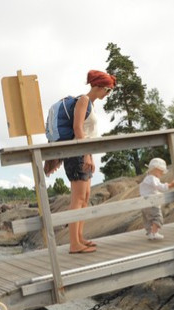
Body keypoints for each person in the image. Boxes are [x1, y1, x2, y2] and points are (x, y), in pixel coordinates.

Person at [63, 70, 117, 254]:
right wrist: (86, 154)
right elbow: (78, 129)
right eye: (108, 90)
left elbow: (87, 133)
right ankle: (74, 244)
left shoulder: (91, 105)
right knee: (77, 199)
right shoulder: (83, 100)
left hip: (84, 154)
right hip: (76, 154)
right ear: (99, 86)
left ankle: (79, 238)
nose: (108, 94)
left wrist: (90, 155)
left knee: (85, 198)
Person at [139, 157, 174, 240]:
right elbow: (160, 187)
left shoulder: (146, 179)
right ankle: (154, 233)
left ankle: (150, 233)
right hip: (152, 204)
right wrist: (171, 185)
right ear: (156, 169)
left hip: (144, 204)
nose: (162, 174)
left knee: (147, 220)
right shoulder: (152, 178)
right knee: (157, 217)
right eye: (161, 171)